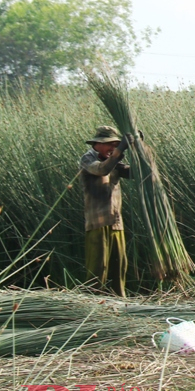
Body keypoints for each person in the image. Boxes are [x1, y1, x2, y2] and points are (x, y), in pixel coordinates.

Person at [80, 126, 133, 296]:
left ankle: (118, 303)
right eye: (110, 144)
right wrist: (120, 150)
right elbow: (102, 169)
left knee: (119, 266)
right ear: (97, 144)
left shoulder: (114, 161)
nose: (113, 148)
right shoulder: (88, 159)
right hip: (97, 223)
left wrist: (138, 147)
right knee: (97, 267)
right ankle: (93, 304)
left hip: (116, 222)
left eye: (117, 144)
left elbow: (133, 173)